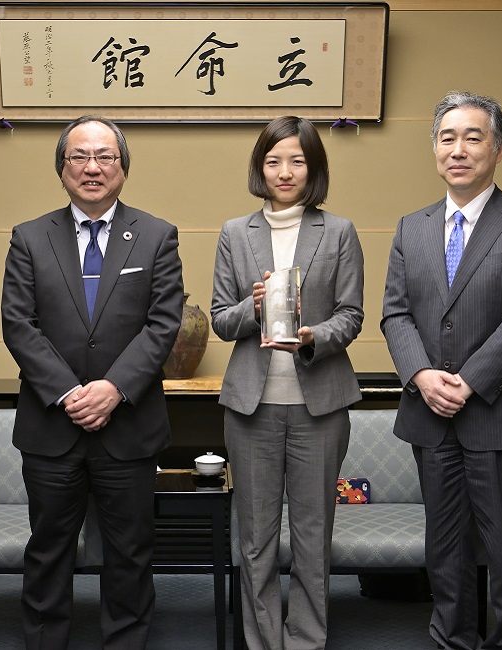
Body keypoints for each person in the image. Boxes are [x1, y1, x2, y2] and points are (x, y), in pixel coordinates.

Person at [381, 92, 502, 650]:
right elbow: (395, 312)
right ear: (434, 148)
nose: (457, 149)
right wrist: (422, 376)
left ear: (499, 149)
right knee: (446, 542)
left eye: (472, 137)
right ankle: (452, 637)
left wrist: (468, 380)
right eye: (446, 137)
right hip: (430, 412)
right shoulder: (412, 228)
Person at [1, 115, 184, 650]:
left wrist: (112, 389)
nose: (92, 167)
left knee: (130, 550)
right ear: (61, 169)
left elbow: (163, 323)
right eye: (79, 156)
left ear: (123, 167)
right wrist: (68, 392)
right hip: (51, 425)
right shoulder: (30, 238)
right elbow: (18, 323)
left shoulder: (155, 236)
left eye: (105, 156)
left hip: (127, 424)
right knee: (49, 547)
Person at [211, 116, 364, 650]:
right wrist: (252, 310)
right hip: (251, 406)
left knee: (311, 536)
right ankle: (262, 642)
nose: (285, 171)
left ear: (314, 168)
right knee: (253, 538)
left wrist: (312, 336)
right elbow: (218, 319)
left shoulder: (339, 230)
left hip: (318, 406)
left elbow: (351, 314)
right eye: (274, 160)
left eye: (297, 160)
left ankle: (306, 641)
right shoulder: (235, 232)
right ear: (260, 167)